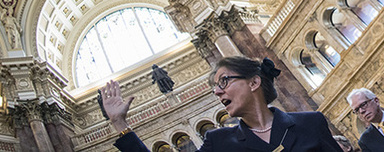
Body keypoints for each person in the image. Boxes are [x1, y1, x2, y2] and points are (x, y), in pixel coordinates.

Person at [103, 56, 344, 151]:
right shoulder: (218, 143)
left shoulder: (311, 123)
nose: (218, 92)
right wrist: (120, 124)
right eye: (216, 87)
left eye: (224, 81)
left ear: (253, 82)